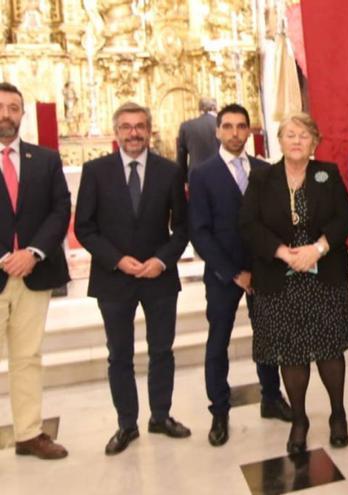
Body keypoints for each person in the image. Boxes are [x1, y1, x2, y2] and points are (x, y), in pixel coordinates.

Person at [74, 102, 190, 455]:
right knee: (119, 355)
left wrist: (161, 259)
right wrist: (116, 260)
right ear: (117, 132)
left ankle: (161, 415)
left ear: (149, 130)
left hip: (159, 277)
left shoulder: (170, 171)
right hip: (114, 279)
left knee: (162, 351)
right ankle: (127, 424)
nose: (133, 133)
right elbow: (84, 227)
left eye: (140, 126)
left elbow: (183, 227)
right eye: (126, 127)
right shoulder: (95, 171)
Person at [239, 112, 348, 456]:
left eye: (304, 135)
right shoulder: (262, 178)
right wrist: (283, 253)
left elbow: (344, 218)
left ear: (314, 142)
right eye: (290, 134)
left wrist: (317, 249)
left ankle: (338, 414)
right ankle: (299, 420)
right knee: (290, 353)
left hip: (324, 277)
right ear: (280, 140)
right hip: (280, 278)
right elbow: (248, 224)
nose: (296, 141)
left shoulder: (328, 175)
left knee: (329, 349)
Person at [188, 103, 292, 447]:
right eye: (228, 127)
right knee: (219, 341)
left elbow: (275, 221)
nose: (234, 133)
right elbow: (200, 232)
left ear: (250, 131)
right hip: (224, 274)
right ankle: (219, 410)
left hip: (264, 271)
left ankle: (271, 397)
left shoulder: (265, 169)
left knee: (268, 337)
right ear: (218, 131)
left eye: (241, 127)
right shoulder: (202, 174)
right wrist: (233, 273)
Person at [0, 82, 70, 460]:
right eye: (1, 107)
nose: (7, 114)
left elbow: (60, 209)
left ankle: (28, 433)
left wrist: (33, 252)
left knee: (27, 357)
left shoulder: (44, 159)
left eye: (14, 108)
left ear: (23, 114)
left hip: (33, 273)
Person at [177, 97, 220, 178]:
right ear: (215, 108)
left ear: (199, 108)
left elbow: (181, 158)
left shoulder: (186, 126)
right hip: (220, 174)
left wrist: (184, 179)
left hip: (195, 175)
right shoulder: (222, 124)